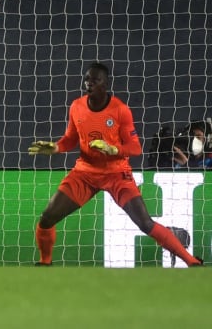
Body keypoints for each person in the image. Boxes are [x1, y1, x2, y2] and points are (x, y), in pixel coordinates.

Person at [28, 62, 203, 267]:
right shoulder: (77, 106)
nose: (89, 83)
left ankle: (191, 261)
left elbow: (135, 147)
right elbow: (70, 139)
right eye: (87, 79)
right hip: (85, 173)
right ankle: (44, 263)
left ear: (105, 83)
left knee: (145, 223)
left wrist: (113, 149)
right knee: (47, 217)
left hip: (116, 174)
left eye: (95, 80)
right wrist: (56, 148)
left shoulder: (120, 110)